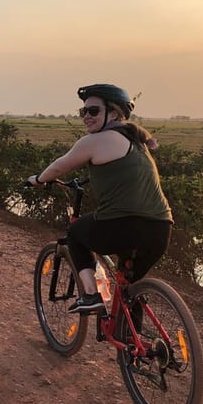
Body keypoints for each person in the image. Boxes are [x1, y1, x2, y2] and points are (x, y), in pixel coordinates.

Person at [27, 83, 172, 313]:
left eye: (93, 111)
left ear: (113, 113)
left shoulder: (95, 141)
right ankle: (134, 347)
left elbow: (58, 168)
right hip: (160, 229)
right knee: (128, 288)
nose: (86, 116)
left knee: (76, 234)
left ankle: (91, 296)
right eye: (83, 112)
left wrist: (38, 179)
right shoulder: (137, 143)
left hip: (123, 225)